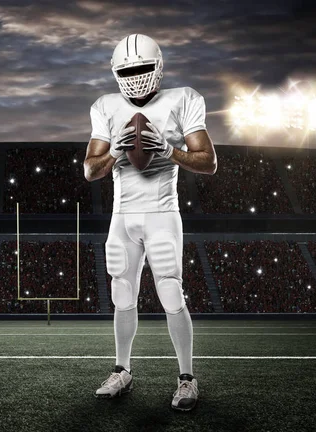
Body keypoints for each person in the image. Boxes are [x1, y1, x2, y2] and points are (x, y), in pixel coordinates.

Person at [83, 34, 217, 411]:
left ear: (158, 66)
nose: (136, 76)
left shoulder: (183, 99)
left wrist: (169, 150)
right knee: (121, 293)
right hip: (123, 215)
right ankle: (122, 370)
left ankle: (187, 378)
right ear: (115, 73)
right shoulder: (105, 106)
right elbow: (90, 169)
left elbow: (208, 161)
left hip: (161, 211)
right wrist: (116, 150)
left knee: (171, 293)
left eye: (142, 68)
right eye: (128, 70)